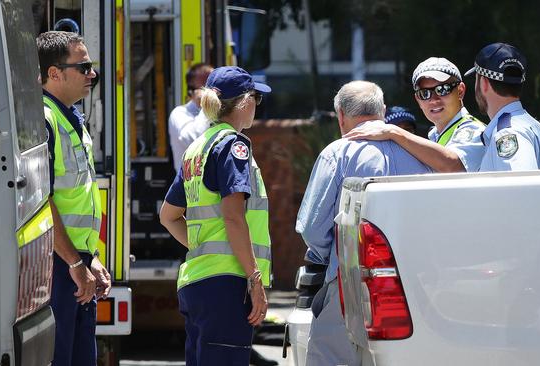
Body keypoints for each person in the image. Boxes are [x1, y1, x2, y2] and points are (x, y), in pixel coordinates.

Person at [296, 81, 430, 366]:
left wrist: (330, 257)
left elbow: (312, 227)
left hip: (350, 279)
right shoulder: (421, 154)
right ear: (382, 111)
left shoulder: (337, 153)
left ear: (341, 115)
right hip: (412, 283)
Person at [159, 66, 272, 366]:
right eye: (257, 99)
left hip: (197, 283)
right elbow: (234, 217)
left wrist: (201, 246)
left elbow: (168, 216)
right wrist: (255, 278)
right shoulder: (233, 146)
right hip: (227, 285)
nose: (257, 107)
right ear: (245, 102)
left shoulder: (196, 149)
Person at [37, 31, 111, 366]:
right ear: (54, 73)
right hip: (57, 265)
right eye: (83, 67)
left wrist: (90, 257)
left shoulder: (72, 118)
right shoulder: (45, 119)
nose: (92, 74)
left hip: (75, 263)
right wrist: (75, 262)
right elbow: (42, 202)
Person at [345, 57, 486, 172]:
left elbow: (452, 165)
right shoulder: (435, 135)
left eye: (443, 89)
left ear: (460, 91)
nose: (434, 99)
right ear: (418, 100)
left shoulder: (475, 131)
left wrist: (393, 131)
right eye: (425, 93)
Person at [463, 42, 540, 170]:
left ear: (484, 83)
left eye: (476, 79)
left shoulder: (507, 133)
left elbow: (518, 187)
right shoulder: (530, 125)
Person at [168, 63, 214, 172]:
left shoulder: (219, 113)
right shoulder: (179, 113)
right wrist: (206, 105)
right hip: (189, 186)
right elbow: (193, 139)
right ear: (191, 92)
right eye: (207, 87)